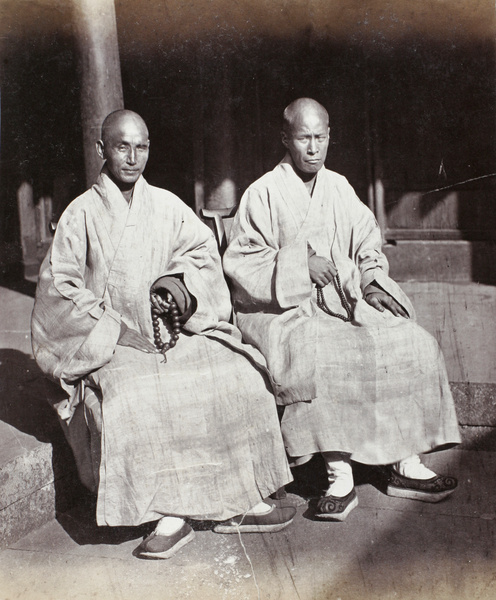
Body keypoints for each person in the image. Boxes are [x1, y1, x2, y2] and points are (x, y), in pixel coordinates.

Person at [31, 109, 295, 559]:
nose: (133, 157)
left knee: (239, 374)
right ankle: (168, 514)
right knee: (136, 395)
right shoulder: (80, 215)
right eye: (121, 146)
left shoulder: (168, 205)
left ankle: (241, 500)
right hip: (110, 343)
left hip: (174, 331)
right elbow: (60, 290)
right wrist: (113, 330)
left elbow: (203, 256)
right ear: (101, 150)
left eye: (142, 146)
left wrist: (179, 289)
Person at [223, 98, 461, 521]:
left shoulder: (339, 187)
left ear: (329, 136)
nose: (313, 148)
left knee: (411, 340)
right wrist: (298, 266)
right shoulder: (262, 194)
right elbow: (241, 266)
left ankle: (404, 462)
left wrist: (370, 280)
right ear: (285, 138)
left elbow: (368, 240)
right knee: (322, 355)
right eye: (303, 138)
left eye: (320, 137)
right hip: (281, 310)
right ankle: (339, 474)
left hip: (343, 300)